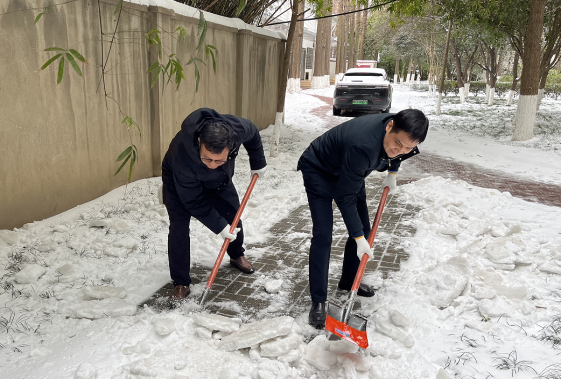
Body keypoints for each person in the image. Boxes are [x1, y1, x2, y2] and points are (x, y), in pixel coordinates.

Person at [297, 109, 429, 328]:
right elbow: (345, 196)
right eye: (398, 143)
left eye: (408, 147)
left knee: (363, 228)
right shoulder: (364, 145)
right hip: (319, 169)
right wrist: (358, 238)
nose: (401, 151)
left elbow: (401, 152)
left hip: (350, 171)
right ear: (389, 126)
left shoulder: (401, 136)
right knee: (323, 235)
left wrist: (393, 172)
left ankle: (349, 281)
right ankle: (319, 300)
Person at [161, 108, 267, 303]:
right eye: (207, 158)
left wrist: (258, 161)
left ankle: (236, 255)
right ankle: (180, 282)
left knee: (233, 215)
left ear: (230, 145)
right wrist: (219, 226)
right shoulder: (181, 154)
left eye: (219, 159)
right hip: (179, 184)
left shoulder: (236, 130)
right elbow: (193, 201)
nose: (212, 164)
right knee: (179, 227)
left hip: (219, 181)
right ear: (200, 141)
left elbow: (252, 132)